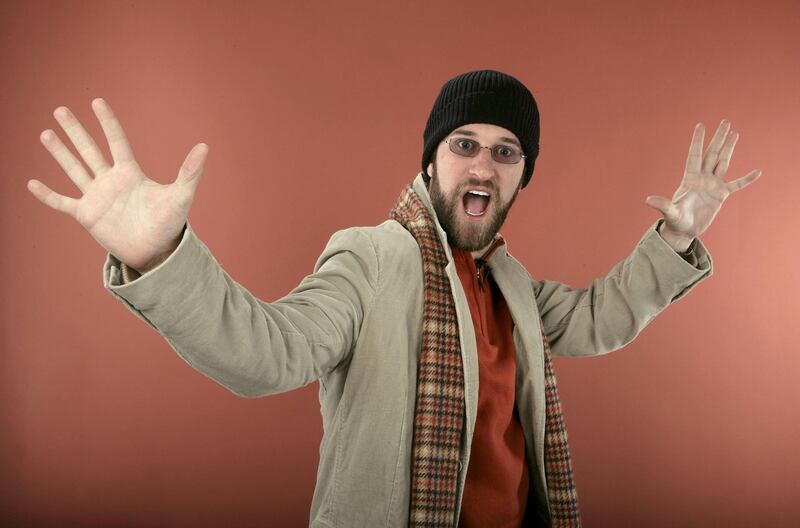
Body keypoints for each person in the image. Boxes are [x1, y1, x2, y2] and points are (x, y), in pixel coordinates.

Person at [28, 70, 761, 528]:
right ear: (432, 161)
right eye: (464, 144)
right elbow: (269, 353)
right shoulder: (372, 257)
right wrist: (160, 254)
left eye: (507, 152)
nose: (484, 163)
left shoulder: (509, 281)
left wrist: (672, 235)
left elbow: (601, 319)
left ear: (521, 176)